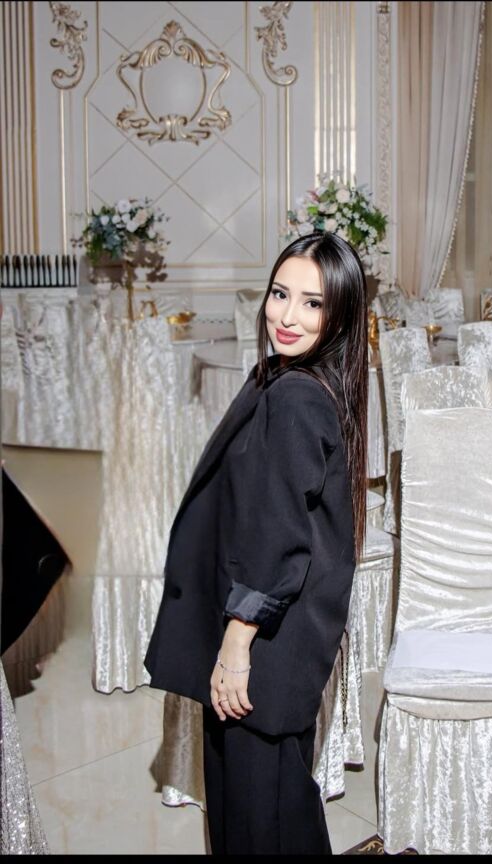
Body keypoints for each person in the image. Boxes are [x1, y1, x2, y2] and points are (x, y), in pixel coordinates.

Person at [144, 230, 369, 855]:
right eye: (279, 294)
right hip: (285, 644)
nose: (287, 316)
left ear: (340, 313)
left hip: (265, 651)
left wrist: (236, 647)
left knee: (256, 823)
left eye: (313, 303)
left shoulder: (296, 396)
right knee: (276, 810)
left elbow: (278, 543)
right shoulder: (297, 378)